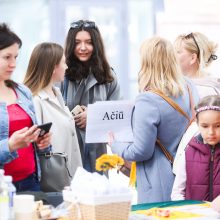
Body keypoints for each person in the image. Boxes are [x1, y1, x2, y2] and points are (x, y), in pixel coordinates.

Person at [108, 36, 199, 204]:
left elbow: (141, 151)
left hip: (160, 185)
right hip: (189, 176)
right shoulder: (188, 86)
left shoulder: (148, 100)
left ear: (147, 63)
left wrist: (115, 145)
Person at [60, 20, 121, 172]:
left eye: (88, 42)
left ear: (96, 45)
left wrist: (94, 117)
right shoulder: (61, 74)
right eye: (77, 42)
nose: (82, 48)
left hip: (98, 157)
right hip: (67, 154)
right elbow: (50, 113)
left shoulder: (109, 76)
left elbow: (119, 116)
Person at [0, 23, 51, 192]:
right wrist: (10, 146)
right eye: (7, 57)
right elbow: (12, 144)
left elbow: (33, 140)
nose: (13, 64)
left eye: (16, 57)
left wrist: (41, 142)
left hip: (31, 180)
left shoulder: (22, 91)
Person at [23, 42, 82, 186]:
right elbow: (36, 145)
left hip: (71, 176)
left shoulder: (57, 94)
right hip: (54, 181)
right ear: (53, 67)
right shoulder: (36, 100)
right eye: (63, 63)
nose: (66, 67)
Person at [173, 32, 219, 174]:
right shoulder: (212, 85)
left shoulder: (204, 90)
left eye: (178, 52)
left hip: (199, 163)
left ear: (193, 58)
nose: (173, 56)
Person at [171, 95, 220, 201]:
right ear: (197, 124)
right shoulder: (188, 153)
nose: (211, 132)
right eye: (205, 126)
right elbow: (177, 192)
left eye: (218, 126)